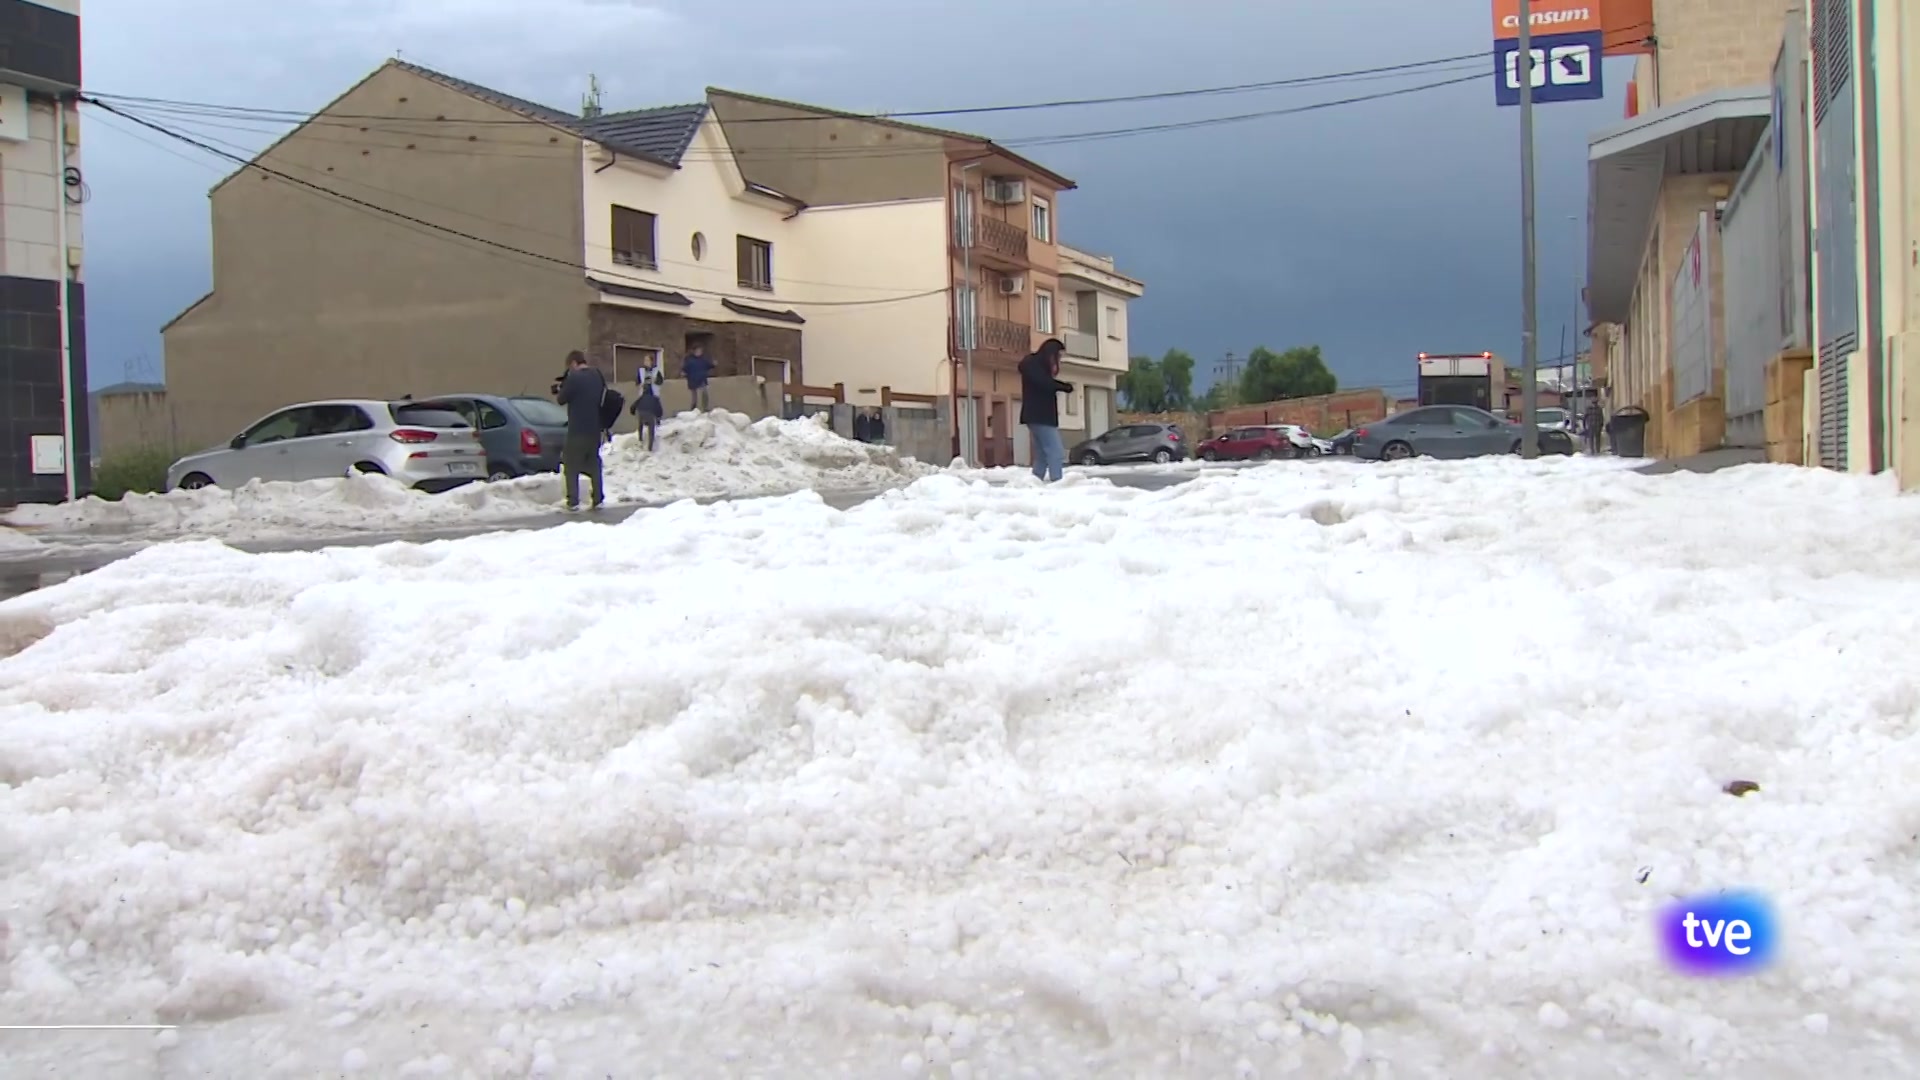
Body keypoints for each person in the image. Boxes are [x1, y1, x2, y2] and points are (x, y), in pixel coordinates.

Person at [554, 350, 607, 510]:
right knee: (594, 463)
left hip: (577, 429)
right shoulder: (597, 375)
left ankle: (573, 501)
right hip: (595, 428)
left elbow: (561, 399)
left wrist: (561, 387)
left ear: (573, 364)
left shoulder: (574, 378)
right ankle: (598, 498)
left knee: (570, 464)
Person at [1018, 338, 1073, 482]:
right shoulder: (1033, 364)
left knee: (1042, 454)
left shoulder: (1036, 365)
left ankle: (1035, 481)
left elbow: (1044, 382)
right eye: (1058, 355)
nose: (1059, 359)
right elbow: (1044, 383)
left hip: (1039, 416)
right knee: (1056, 451)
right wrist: (1063, 386)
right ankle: (1057, 481)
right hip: (1040, 416)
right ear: (1051, 353)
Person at [631, 354, 665, 450]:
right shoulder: (641, 371)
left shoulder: (656, 371)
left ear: (652, 361)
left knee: (655, 412)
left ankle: (657, 422)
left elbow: (661, 381)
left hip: (653, 395)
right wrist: (640, 384)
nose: (645, 362)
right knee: (641, 416)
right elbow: (637, 382)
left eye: (647, 360)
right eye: (645, 360)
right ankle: (640, 438)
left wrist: (655, 380)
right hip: (643, 395)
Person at [682, 341, 714, 412]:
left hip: (702, 379)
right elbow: (685, 369)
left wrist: (713, 364)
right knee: (694, 395)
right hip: (693, 379)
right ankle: (694, 408)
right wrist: (684, 373)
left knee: (704, 392)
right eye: (698, 350)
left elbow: (709, 365)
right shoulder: (689, 360)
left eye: (700, 350)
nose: (699, 352)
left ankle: (705, 407)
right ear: (694, 351)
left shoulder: (703, 359)